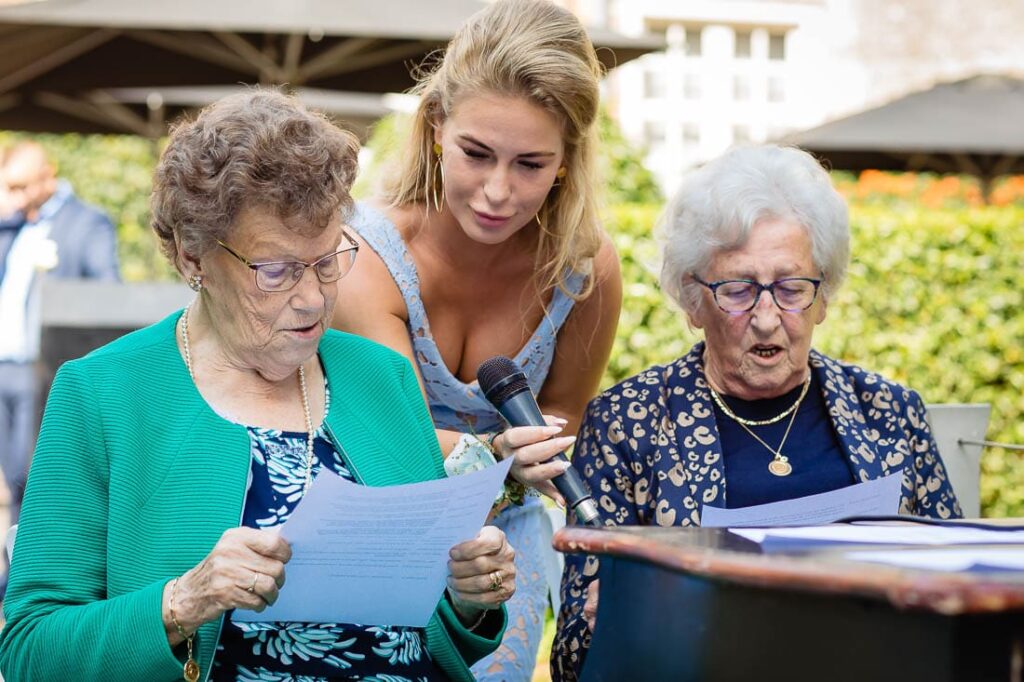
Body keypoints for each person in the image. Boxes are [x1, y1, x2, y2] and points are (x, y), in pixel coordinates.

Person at [0, 90, 516, 682]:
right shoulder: (103, 393)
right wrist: (182, 603)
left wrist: (471, 599)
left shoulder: (383, 377)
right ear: (192, 256)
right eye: (276, 270)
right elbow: (30, 652)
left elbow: (433, 634)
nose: (314, 297)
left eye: (327, 261)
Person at [551, 145, 963, 682]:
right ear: (694, 302)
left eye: (791, 288)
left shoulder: (890, 413)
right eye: (739, 290)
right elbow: (570, 659)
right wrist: (623, 618)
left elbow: (959, 584)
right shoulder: (627, 424)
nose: (767, 319)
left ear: (823, 297)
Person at [331, 1, 622, 679]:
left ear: (566, 162)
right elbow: (391, 441)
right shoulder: (365, 255)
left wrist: (529, 459)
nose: (497, 191)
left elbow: (566, 420)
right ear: (435, 128)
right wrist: (495, 455)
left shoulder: (583, 269)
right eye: (477, 153)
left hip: (506, 550)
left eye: (530, 164)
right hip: (380, 531)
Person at [0, 141, 120, 527]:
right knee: (11, 473)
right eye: (8, 188)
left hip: (47, 369)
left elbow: (107, 292)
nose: (14, 196)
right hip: (5, 363)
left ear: (48, 176)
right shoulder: (12, 224)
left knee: (34, 473)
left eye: (21, 187)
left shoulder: (87, 222)